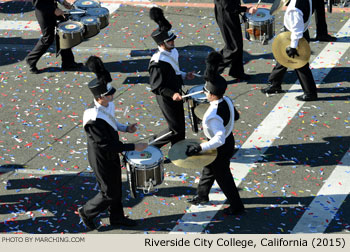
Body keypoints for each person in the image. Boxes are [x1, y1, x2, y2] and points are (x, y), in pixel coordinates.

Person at [78, 56, 148, 230]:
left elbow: (111, 121)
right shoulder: (92, 119)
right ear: (100, 97)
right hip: (101, 156)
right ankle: (87, 212)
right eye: (110, 95)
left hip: (111, 150)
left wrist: (125, 128)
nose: (113, 96)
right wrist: (133, 146)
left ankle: (117, 218)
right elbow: (104, 145)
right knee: (109, 192)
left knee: (116, 187)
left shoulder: (107, 104)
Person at [185, 51, 245, 216]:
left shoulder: (212, 115)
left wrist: (201, 147)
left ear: (211, 94)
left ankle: (237, 206)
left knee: (224, 178)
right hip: (229, 138)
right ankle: (202, 195)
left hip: (220, 146)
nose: (204, 94)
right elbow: (235, 116)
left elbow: (218, 139)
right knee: (209, 168)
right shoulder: (226, 100)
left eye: (205, 92)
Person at [148, 7, 195, 148]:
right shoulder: (157, 62)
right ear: (161, 44)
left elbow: (174, 71)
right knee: (175, 128)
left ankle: (178, 149)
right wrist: (172, 94)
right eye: (170, 41)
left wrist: (185, 75)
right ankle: (152, 144)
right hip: (166, 96)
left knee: (180, 125)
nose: (173, 42)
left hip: (176, 91)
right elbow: (157, 87)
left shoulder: (172, 51)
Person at [261, 0, 318, 101]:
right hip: (302, 33)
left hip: (295, 37)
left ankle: (310, 93)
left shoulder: (294, 9)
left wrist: (293, 47)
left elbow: (297, 31)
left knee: (301, 66)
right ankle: (275, 84)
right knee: (282, 58)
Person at [26, 0, 83, 74]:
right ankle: (31, 59)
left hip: (51, 6)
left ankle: (68, 62)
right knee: (48, 38)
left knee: (64, 32)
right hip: (44, 9)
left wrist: (62, 2)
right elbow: (38, 3)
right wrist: (53, 9)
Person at [214, 0, 257, 81]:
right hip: (226, 13)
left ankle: (237, 71)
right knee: (233, 47)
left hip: (229, 12)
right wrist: (246, 9)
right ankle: (212, 71)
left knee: (238, 44)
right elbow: (228, 6)